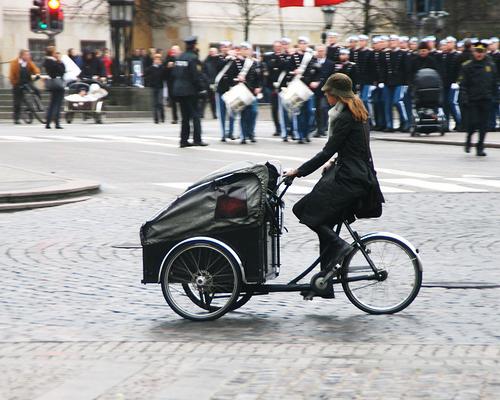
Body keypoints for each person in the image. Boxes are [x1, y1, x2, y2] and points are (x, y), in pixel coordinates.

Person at [284, 73, 383, 280]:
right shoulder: (358, 111)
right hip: (356, 173)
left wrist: (298, 172)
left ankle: (340, 246)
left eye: (327, 93)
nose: (326, 97)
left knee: (304, 209)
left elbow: (326, 151)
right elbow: (355, 147)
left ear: (336, 94)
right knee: (324, 220)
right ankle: (325, 280)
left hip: (350, 178)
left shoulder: (345, 117)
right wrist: (335, 161)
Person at [458, 41, 498, 156]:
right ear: (473, 52)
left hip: (486, 99)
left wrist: (495, 97)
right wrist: (464, 98)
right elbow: (463, 84)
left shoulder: (490, 66)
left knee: (483, 125)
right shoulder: (467, 66)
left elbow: (494, 83)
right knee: (473, 123)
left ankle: (480, 147)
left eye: (482, 52)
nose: (479, 54)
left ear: (485, 52)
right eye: (477, 51)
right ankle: (469, 139)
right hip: (472, 100)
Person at [171, 36, 208, 148]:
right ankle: (197, 139)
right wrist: (202, 88)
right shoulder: (193, 58)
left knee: (184, 116)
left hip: (179, 90)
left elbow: (174, 74)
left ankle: (183, 140)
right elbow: (195, 76)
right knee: (195, 115)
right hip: (190, 91)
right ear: (194, 45)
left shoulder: (179, 57)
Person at [8, 49, 40, 124]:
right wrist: (15, 83)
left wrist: (37, 73)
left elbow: (35, 69)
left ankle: (37, 106)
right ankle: (16, 118)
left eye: (28, 55)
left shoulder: (29, 62)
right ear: (21, 55)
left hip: (27, 82)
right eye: (26, 55)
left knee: (37, 91)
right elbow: (11, 75)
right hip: (17, 83)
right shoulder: (14, 63)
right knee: (17, 102)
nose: (28, 56)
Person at [263, 40, 285, 136]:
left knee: (284, 108)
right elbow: (268, 68)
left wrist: (280, 58)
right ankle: (278, 128)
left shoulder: (285, 57)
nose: (278, 48)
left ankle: (286, 127)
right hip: (272, 87)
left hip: (283, 87)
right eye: (276, 46)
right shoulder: (269, 57)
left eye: (279, 46)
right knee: (274, 108)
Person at [313, 44, 335, 137]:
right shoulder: (313, 62)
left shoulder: (330, 63)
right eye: (318, 50)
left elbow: (329, 77)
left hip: (325, 90)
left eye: (322, 50)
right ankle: (318, 128)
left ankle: (322, 128)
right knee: (316, 110)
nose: (320, 52)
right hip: (314, 90)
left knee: (323, 108)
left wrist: (320, 83)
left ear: (325, 52)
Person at [43, 47, 66, 129]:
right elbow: (62, 70)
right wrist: (59, 61)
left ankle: (48, 122)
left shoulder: (46, 61)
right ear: (52, 53)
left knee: (52, 103)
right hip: (58, 83)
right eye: (55, 52)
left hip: (52, 83)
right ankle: (56, 122)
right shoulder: (53, 61)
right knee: (58, 103)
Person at [144, 53, 167, 123]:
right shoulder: (151, 68)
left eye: (158, 59)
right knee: (154, 103)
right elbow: (145, 75)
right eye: (156, 59)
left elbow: (165, 76)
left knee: (160, 102)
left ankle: (162, 116)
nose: (157, 61)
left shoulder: (162, 68)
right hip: (153, 87)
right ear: (154, 60)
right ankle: (156, 118)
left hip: (160, 87)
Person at [165, 45, 181, 124]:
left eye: (175, 50)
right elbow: (164, 70)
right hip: (172, 83)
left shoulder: (182, 58)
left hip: (180, 83)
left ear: (179, 51)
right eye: (173, 50)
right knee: (173, 102)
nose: (174, 52)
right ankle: (175, 118)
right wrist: (168, 67)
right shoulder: (168, 59)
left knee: (182, 101)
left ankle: (183, 116)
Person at [202, 47, 220, 120]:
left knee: (213, 100)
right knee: (204, 99)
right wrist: (208, 81)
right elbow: (203, 72)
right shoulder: (206, 61)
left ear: (216, 52)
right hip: (207, 83)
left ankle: (214, 113)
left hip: (216, 82)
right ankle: (201, 113)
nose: (212, 52)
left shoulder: (219, 60)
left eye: (213, 51)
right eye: (210, 51)